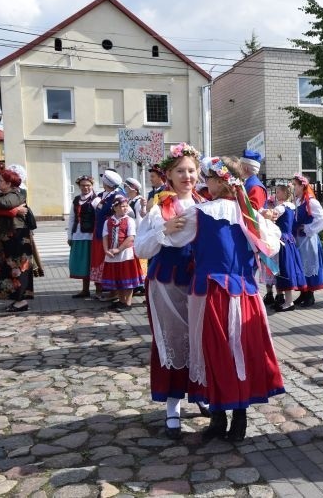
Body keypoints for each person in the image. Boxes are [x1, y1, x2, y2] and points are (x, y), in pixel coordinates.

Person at [160, 156, 284, 442]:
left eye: (208, 178)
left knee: (213, 353)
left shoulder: (200, 212)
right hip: (244, 293)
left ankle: (219, 417)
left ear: (219, 181)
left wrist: (162, 227)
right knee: (240, 352)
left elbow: (175, 240)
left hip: (211, 295)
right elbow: (271, 245)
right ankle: (237, 418)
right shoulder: (248, 213)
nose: (205, 182)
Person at [135, 143, 205, 439]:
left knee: (201, 339)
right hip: (166, 283)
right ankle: (172, 404)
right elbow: (140, 248)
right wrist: (165, 230)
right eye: (180, 171)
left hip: (200, 283)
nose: (186, 176)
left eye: (191, 170)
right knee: (172, 339)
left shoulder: (207, 204)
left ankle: (200, 392)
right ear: (169, 175)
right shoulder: (159, 208)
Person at [261, 181, 306, 312]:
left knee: (283, 270)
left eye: (278, 191)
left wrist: (261, 211)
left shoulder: (281, 207)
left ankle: (288, 301)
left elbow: (270, 215)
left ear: (285, 193)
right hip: (289, 239)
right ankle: (286, 300)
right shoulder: (292, 206)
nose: (276, 194)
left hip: (281, 240)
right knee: (285, 269)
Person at [0, 168, 34, 312]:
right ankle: (16, 299)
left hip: (17, 238)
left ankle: (21, 300)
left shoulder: (18, 193)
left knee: (19, 268)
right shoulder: (3, 195)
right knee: (9, 268)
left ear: (9, 183)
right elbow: (5, 207)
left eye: (0, 181)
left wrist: (11, 210)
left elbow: (6, 203)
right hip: (8, 238)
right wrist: (13, 211)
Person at [101, 195, 144, 312]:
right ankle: (121, 301)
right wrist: (106, 250)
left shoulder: (129, 220)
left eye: (126, 206)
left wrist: (119, 249)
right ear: (115, 208)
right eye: (122, 206)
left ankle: (128, 303)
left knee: (127, 278)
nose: (125, 208)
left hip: (126, 254)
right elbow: (104, 237)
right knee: (118, 278)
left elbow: (131, 237)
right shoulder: (108, 221)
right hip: (111, 254)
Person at [292, 174, 323, 306]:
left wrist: (308, 228)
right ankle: (303, 293)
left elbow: (322, 219)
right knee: (301, 265)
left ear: (302, 186)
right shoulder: (298, 201)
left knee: (308, 264)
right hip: (299, 240)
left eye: (295, 185)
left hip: (308, 240)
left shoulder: (312, 202)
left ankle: (310, 295)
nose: (293, 187)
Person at [91, 169, 124, 301]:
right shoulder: (105, 195)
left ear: (106, 182)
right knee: (100, 261)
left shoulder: (117, 196)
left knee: (111, 261)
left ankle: (114, 291)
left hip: (111, 233)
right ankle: (105, 289)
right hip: (100, 232)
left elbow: (116, 213)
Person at [67, 175, 97, 298]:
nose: (86, 187)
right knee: (82, 264)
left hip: (91, 236)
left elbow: (99, 219)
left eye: (88, 185)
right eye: (83, 185)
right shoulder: (76, 200)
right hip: (78, 235)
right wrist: (70, 235)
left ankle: (99, 290)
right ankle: (85, 290)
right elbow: (71, 219)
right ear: (79, 186)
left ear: (92, 186)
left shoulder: (96, 200)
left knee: (93, 263)